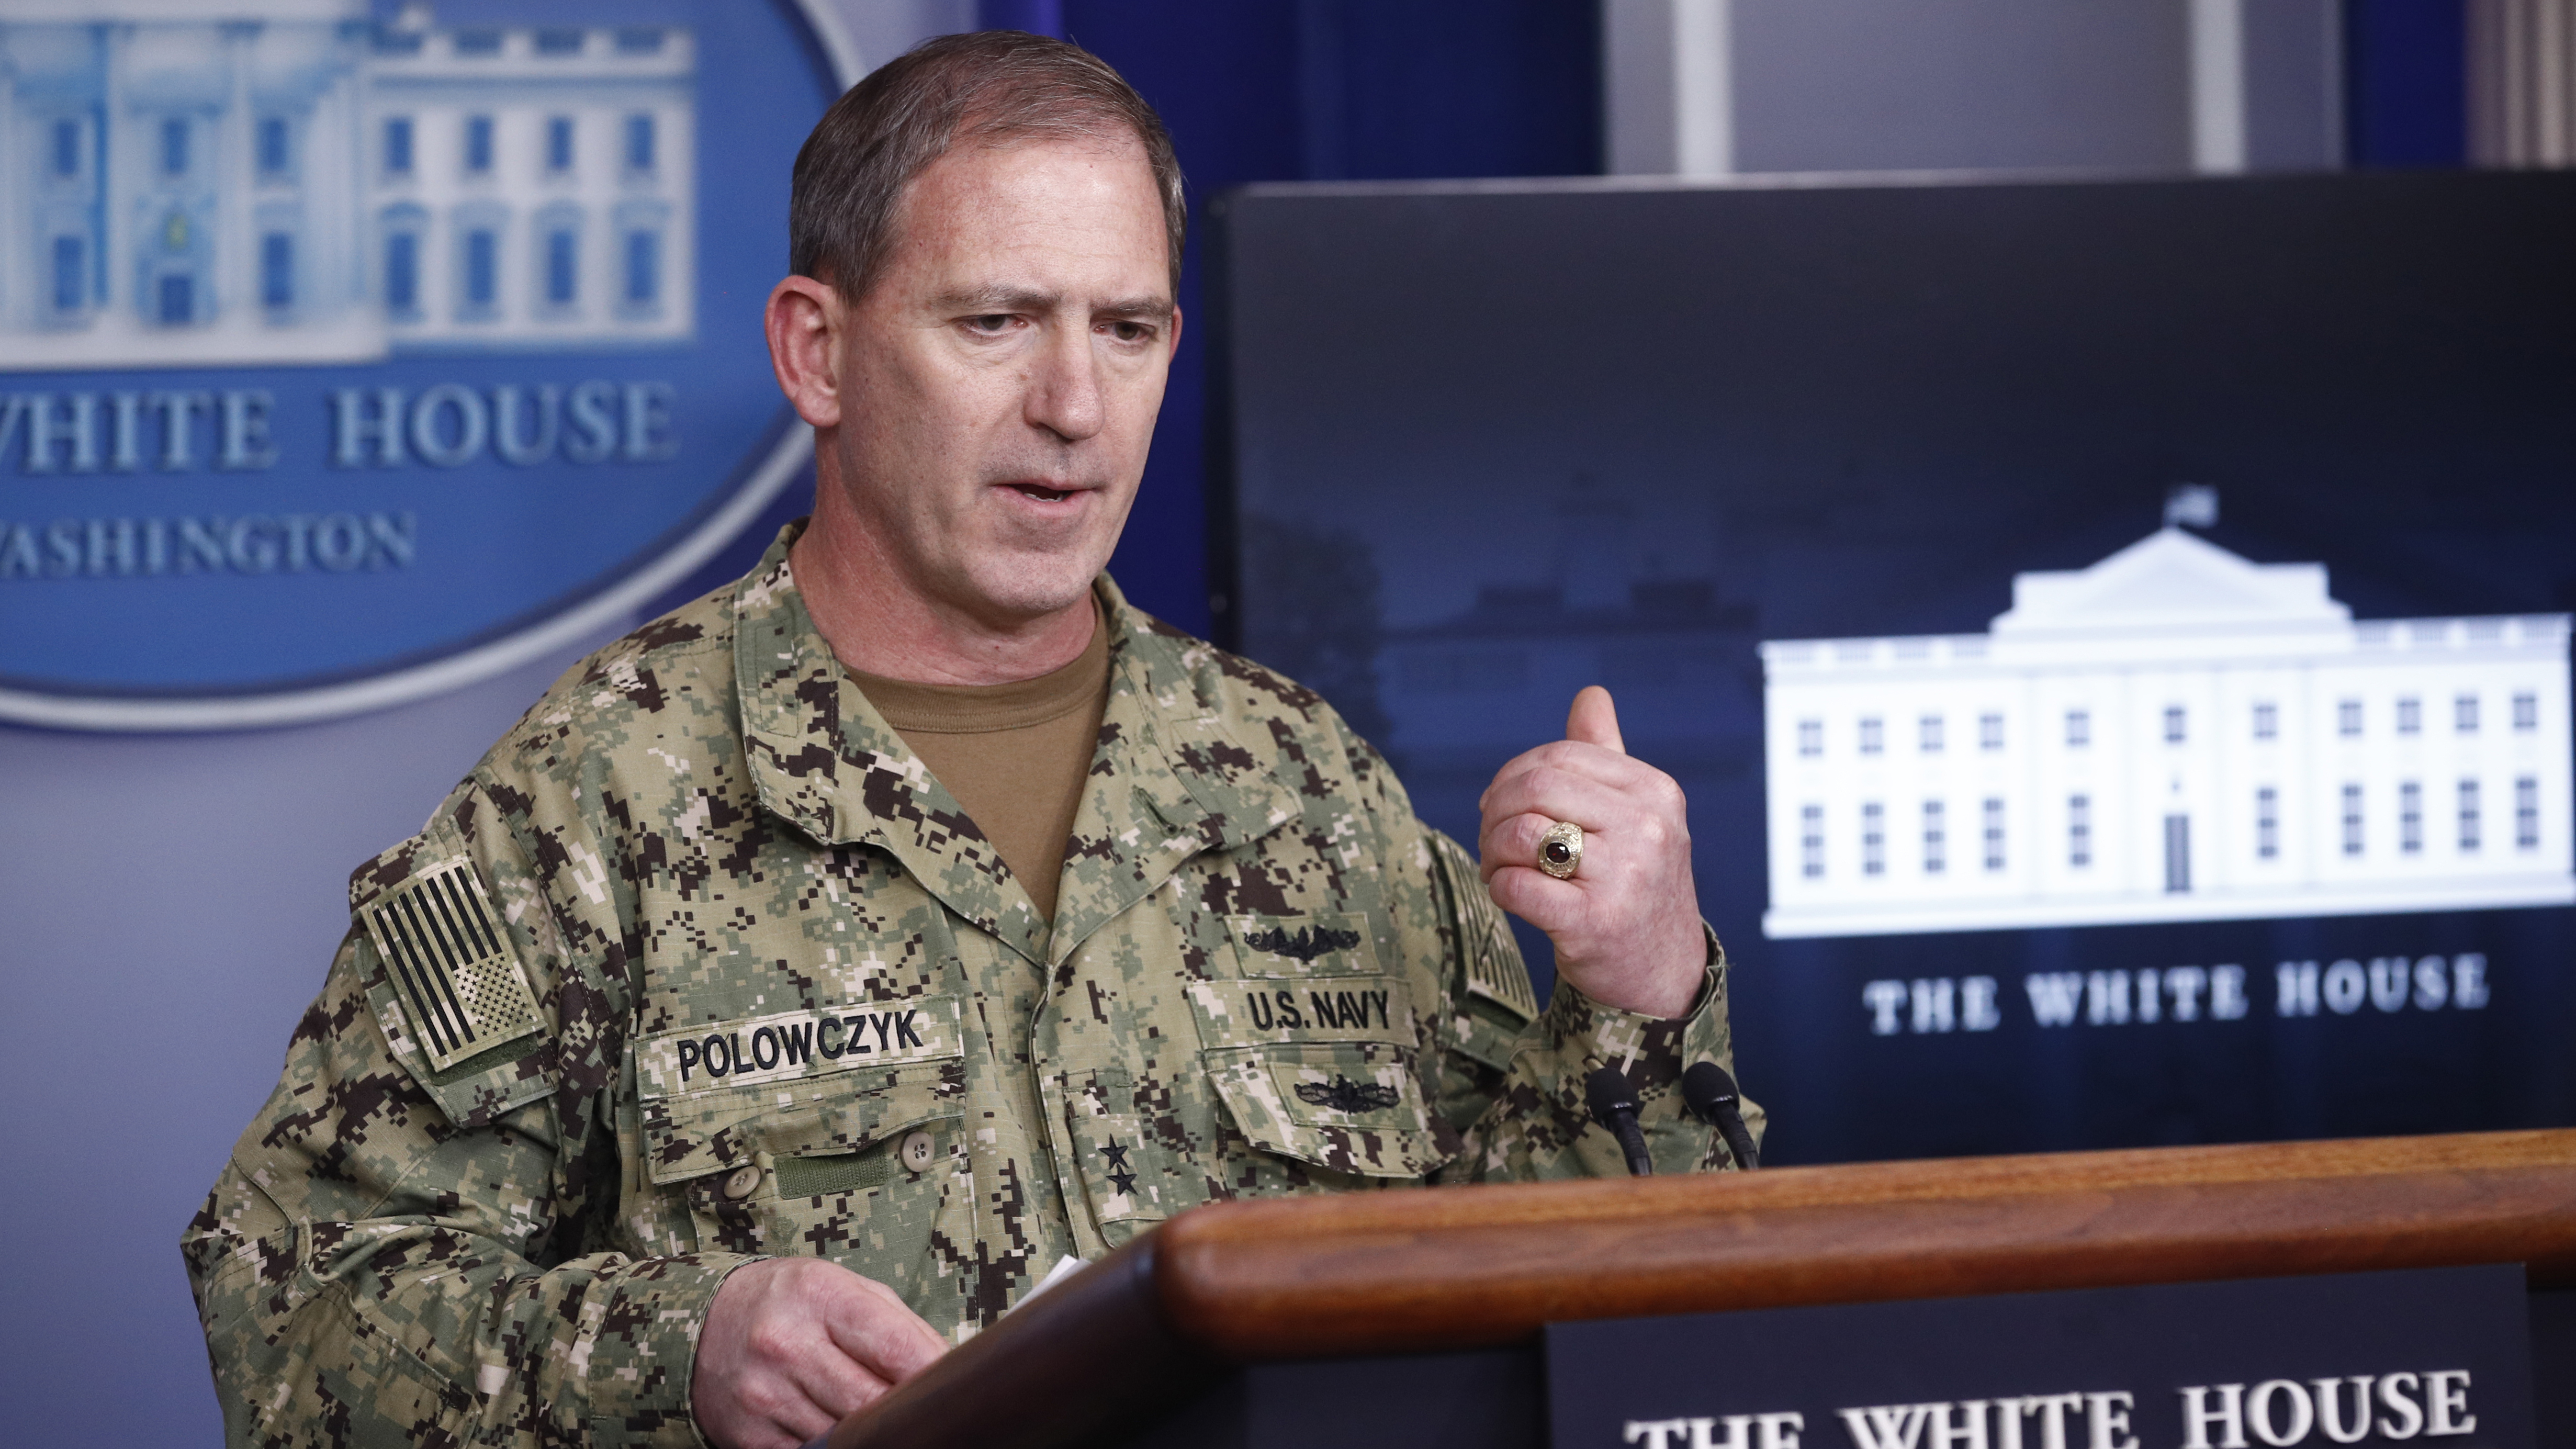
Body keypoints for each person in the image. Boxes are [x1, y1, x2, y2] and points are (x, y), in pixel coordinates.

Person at [184, 30, 1758, 1449]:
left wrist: (1643, 997)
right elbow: (297, 1310)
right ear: (818, 352)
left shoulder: (1300, 784)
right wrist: (680, 1350)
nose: (1075, 402)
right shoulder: (597, 796)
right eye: (996, 320)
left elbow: (1551, 1315)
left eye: (1126, 329)